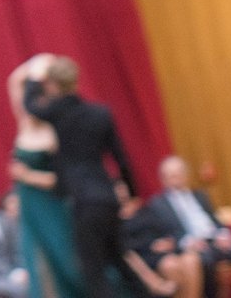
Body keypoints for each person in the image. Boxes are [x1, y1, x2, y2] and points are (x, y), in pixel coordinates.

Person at [22, 54, 142, 298]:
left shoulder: (57, 112)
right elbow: (122, 159)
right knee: (120, 261)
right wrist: (130, 193)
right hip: (107, 196)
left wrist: (34, 78)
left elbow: (30, 104)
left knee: (93, 272)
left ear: (52, 85)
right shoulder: (101, 113)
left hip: (83, 201)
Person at [6, 58, 84, 298]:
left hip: (52, 204)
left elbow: (65, 180)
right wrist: (40, 64)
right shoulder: (25, 124)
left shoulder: (55, 132)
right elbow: (14, 80)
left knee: (66, 261)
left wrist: (28, 176)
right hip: (29, 205)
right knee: (37, 262)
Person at [142, 157, 231, 298]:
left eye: (178, 174)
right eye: (171, 176)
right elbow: (163, 234)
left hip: (215, 241)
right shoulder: (158, 204)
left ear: (186, 175)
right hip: (192, 248)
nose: (175, 179)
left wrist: (223, 235)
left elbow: (215, 220)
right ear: (163, 179)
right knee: (205, 261)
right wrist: (187, 242)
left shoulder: (200, 195)